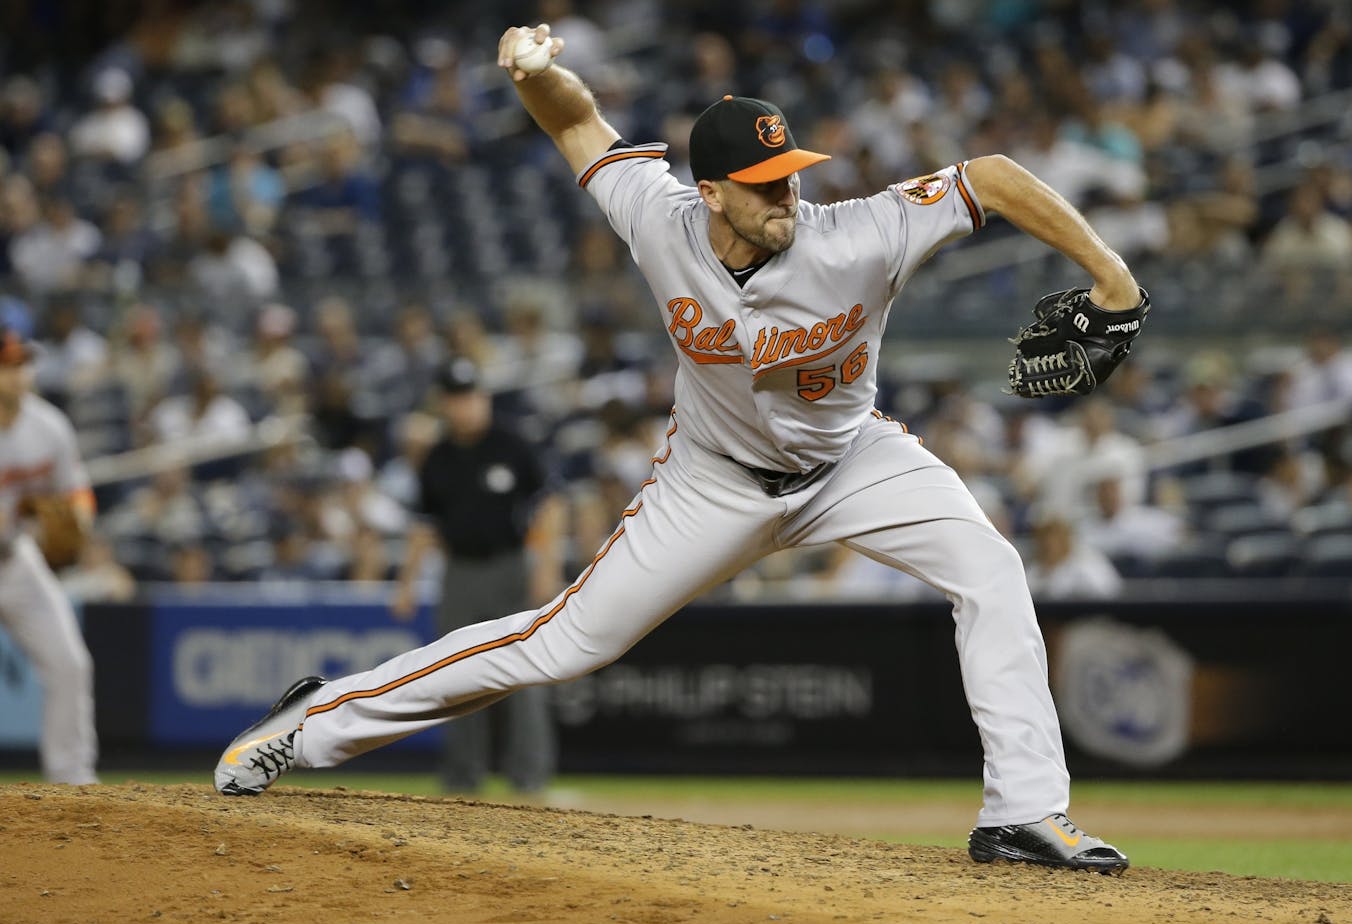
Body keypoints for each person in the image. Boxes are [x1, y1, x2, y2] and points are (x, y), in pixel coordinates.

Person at [215, 21, 1143, 876]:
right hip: (713, 482)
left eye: (792, 172)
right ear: (711, 194)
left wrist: (1110, 275)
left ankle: (1022, 812)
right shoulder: (660, 218)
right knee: (564, 643)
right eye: (766, 183)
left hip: (855, 461)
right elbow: (575, 123)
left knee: (990, 567)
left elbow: (992, 175)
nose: (788, 193)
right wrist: (536, 72)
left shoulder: (861, 235)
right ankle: (315, 721)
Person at [389, 357, 565, 796]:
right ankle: (462, 781)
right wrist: (407, 583)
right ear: (445, 404)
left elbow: (551, 503)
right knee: (456, 676)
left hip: (510, 567)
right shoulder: (438, 457)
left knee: (523, 676)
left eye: (470, 396)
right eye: (456, 398)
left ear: (482, 398)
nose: (465, 406)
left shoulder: (511, 443)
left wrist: (546, 566)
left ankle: (529, 781)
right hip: (460, 572)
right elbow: (424, 526)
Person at [0, 324, 98, 783]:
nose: (19, 372)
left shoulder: (49, 426)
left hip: (15, 561)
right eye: (9, 363)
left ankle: (73, 779)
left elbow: (76, 493)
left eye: (24, 362)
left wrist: (77, 520)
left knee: (69, 663)